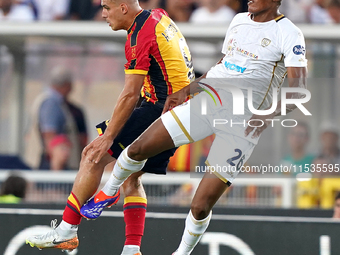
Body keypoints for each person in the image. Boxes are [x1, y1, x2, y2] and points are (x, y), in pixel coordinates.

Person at [78, 0, 308, 254]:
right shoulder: (238, 20)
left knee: (201, 205)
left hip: (241, 123)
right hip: (209, 101)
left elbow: (298, 92)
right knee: (136, 149)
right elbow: (223, 65)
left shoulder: (289, 33)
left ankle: (182, 252)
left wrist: (263, 118)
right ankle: (109, 192)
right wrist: (187, 90)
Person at [26, 1, 194, 254]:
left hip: (161, 109)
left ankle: (66, 231)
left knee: (92, 156)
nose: (102, 14)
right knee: (132, 175)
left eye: (106, 7)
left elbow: (129, 94)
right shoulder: (158, 16)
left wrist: (109, 137)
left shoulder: (139, 36)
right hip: (179, 113)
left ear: (123, 7)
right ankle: (132, 249)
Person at [24, 66, 88, 171]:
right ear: (66, 85)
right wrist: (56, 166)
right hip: (50, 165)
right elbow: (50, 134)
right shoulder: (51, 103)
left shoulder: (56, 102)